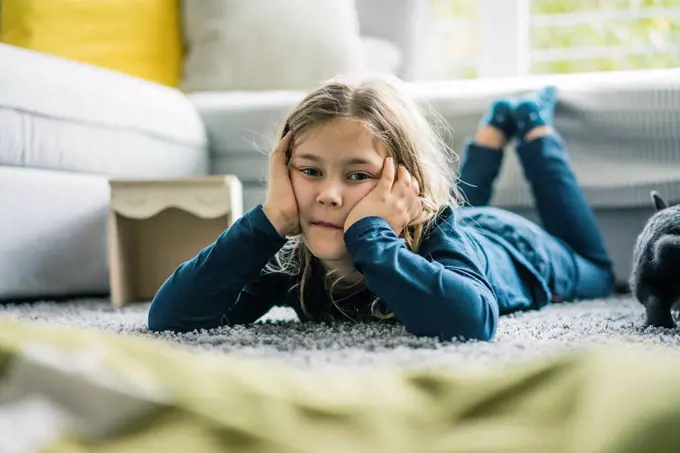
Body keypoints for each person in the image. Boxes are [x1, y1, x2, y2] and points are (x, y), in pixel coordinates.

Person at [147, 76, 615, 342]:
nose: (329, 194)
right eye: (310, 171)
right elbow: (172, 318)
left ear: (402, 183)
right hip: (458, 230)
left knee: (596, 267)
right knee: (463, 207)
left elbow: (471, 321)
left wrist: (371, 233)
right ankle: (492, 129)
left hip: (518, 251)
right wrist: (267, 222)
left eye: (357, 176)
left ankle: (531, 127)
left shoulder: (436, 232)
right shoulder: (289, 260)